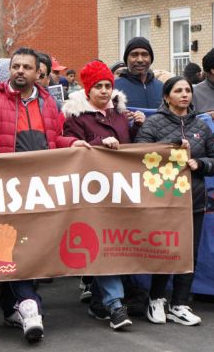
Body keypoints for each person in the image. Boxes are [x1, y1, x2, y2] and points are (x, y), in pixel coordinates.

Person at [0, 47, 90, 344]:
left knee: (29, 247)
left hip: (38, 190)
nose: (20, 71)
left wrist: (72, 143)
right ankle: (30, 307)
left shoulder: (48, 104)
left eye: (26, 67)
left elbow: (54, 138)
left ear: (38, 73)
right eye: (16, 66)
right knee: (10, 247)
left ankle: (14, 307)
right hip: (2, 190)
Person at [62, 60, 145, 331]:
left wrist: (136, 127)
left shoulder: (120, 114)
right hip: (92, 191)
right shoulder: (76, 117)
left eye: (108, 85)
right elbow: (73, 149)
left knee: (117, 243)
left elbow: (128, 145)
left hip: (120, 189)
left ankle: (101, 302)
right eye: (98, 86)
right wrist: (99, 144)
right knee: (104, 244)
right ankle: (115, 305)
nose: (105, 91)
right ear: (87, 90)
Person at [135, 76, 214, 326]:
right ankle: (157, 299)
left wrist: (201, 163)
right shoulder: (153, 124)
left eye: (187, 90)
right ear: (166, 96)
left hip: (193, 200)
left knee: (189, 253)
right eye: (178, 91)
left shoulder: (202, 127)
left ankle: (180, 304)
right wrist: (172, 149)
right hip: (164, 200)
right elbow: (141, 154)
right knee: (165, 249)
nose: (184, 95)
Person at [114, 37, 163, 109]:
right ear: (126, 59)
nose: (140, 60)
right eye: (134, 55)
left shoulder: (162, 87)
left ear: (151, 58)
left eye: (144, 54)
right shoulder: (114, 87)